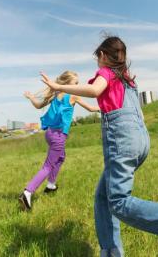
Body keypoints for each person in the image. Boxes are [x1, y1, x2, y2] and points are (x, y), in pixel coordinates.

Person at [40, 36, 158, 257]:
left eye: (97, 58)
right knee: (103, 197)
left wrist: (57, 86)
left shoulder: (105, 73)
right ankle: (111, 252)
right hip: (140, 141)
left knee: (119, 201)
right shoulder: (127, 79)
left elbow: (94, 90)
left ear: (103, 56)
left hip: (122, 142)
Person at [20, 71, 100, 211]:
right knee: (48, 166)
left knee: (61, 157)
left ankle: (51, 186)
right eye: (75, 83)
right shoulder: (73, 95)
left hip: (50, 133)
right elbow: (91, 108)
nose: (77, 85)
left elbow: (38, 106)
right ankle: (27, 192)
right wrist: (106, 107)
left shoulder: (55, 94)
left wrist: (31, 97)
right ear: (68, 83)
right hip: (58, 136)